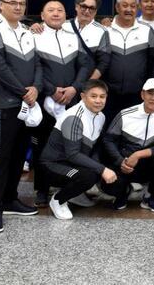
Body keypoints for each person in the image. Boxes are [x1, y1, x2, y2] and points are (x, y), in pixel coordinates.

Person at [0, 0, 43, 233]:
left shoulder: (26, 31)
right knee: (0, 158)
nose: (18, 7)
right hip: (5, 105)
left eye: (22, 3)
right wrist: (23, 91)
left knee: (18, 156)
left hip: (26, 105)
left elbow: (37, 63)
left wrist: (36, 88)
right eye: (13, 3)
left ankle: (10, 200)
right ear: (1, 5)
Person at [32, 0, 90, 207]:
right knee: (42, 147)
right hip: (44, 102)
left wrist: (75, 88)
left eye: (60, 10)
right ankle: (41, 189)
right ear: (42, 15)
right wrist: (51, 90)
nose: (56, 13)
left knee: (71, 146)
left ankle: (68, 187)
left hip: (72, 101)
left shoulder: (73, 37)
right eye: (51, 10)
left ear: (66, 15)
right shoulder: (33, 36)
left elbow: (84, 66)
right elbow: (33, 68)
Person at [39, 79, 115, 220]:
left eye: (102, 96)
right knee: (89, 176)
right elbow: (73, 154)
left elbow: (94, 147)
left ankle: (75, 193)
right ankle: (58, 200)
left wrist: (100, 167)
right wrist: (102, 169)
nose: (98, 101)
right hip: (53, 165)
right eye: (93, 96)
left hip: (72, 162)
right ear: (83, 97)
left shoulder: (101, 116)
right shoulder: (74, 117)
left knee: (97, 168)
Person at [101, 78, 154, 212]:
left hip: (149, 162)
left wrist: (138, 154)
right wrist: (120, 161)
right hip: (125, 161)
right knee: (109, 185)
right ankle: (123, 193)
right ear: (142, 94)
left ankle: (151, 197)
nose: (153, 98)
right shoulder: (125, 114)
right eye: (150, 93)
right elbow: (108, 140)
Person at [103, 0, 154, 125]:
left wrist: (150, 90)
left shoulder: (146, 30)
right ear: (117, 7)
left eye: (133, 6)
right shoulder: (105, 30)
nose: (129, 9)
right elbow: (99, 61)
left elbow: (153, 63)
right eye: (125, 5)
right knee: (108, 128)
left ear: (137, 8)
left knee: (134, 129)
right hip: (109, 94)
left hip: (137, 94)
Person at [64, 0, 110, 80]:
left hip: (86, 82)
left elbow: (103, 62)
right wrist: (38, 27)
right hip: (63, 82)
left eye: (92, 8)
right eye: (83, 6)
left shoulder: (102, 31)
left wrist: (90, 83)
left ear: (96, 11)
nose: (87, 11)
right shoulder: (63, 26)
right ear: (76, 7)